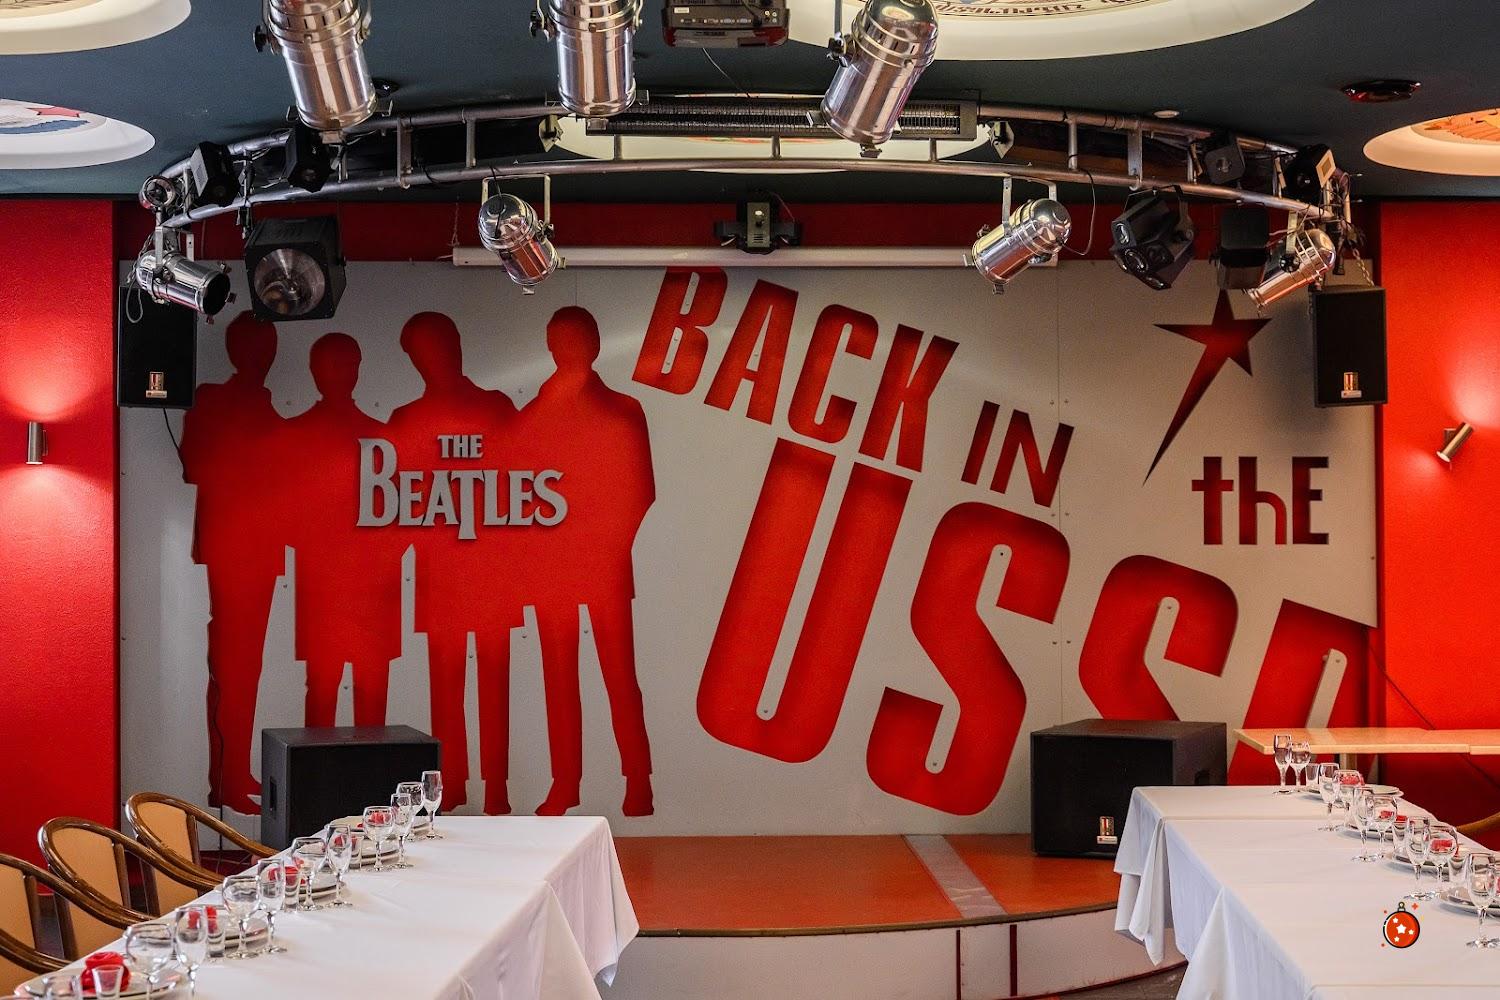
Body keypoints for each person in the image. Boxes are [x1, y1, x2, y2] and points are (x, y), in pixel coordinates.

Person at [518, 305, 656, 816]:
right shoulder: (534, 416)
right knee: (560, 680)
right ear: (552, 348)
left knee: (619, 676)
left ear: (595, 346)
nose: (570, 351)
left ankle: (637, 779)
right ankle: (565, 783)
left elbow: (641, 491)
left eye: (577, 341)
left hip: (603, 563)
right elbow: (519, 496)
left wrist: (608, 545)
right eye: (562, 342)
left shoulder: (623, 411)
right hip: (553, 568)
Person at [388, 312, 519, 811]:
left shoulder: (497, 407)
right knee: (446, 692)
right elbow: (392, 503)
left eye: (442, 345)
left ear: (457, 345)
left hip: (492, 574)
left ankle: (497, 788)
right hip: (439, 579)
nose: (436, 359)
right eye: (424, 352)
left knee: (494, 689)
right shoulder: (406, 420)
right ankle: (454, 786)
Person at [178, 311, 288, 814]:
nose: (262, 358)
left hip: (259, 551)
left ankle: (232, 770)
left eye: (267, 349)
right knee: (229, 664)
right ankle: (222, 779)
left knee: (245, 665)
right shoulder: (213, 400)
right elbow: (194, 465)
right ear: (234, 350)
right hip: (229, 549)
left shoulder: (267, 407)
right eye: (254, 348)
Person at [287, 333, 402, 728]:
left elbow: (403, 519)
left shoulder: (381, 438)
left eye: (343, 365)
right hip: (334, 588)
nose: (337, 374)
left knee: (362, 693)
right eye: (330, 366)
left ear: (356, 370)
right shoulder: (380, 437)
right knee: (328, 690)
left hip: (362, 589)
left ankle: (348, 770)